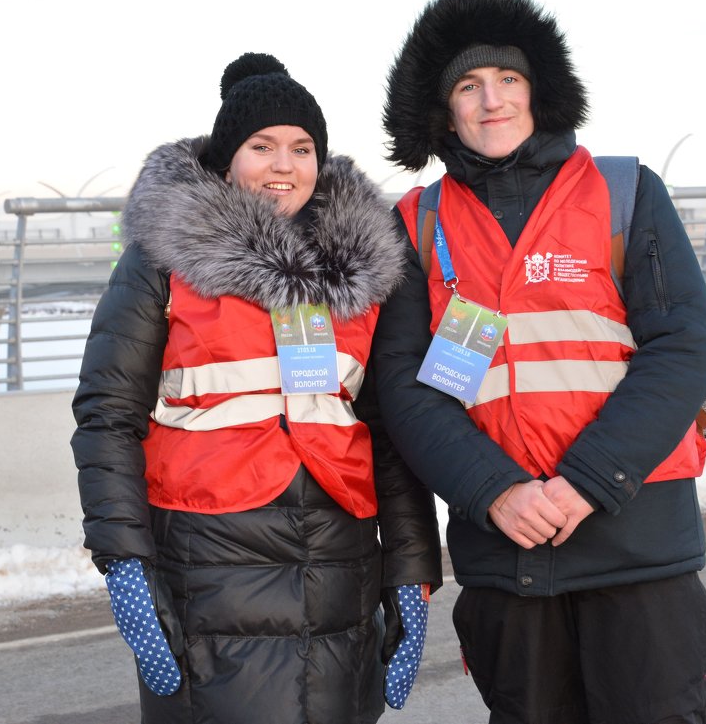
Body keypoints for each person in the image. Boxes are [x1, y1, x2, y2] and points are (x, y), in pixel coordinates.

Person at [371, 0, 706, 724]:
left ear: (539, 91)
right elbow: (404, 387)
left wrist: (586, 481)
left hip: (635, 542)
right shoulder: (414, 222)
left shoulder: (624, 191)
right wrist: (495, 489)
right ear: (444, 108)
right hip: (506, 552)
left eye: (507, 80)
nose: (490, 100)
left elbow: (682, 347)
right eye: (468, 85)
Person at [71, 52, 442, 724]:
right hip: (209, 558)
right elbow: (107, 414)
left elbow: (389, 428)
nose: (283, 165)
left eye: (302, 148)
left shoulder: (367, 272)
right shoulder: (162, 260)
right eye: (261, 145)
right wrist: (123, 559)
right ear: (226, 158)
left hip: (341, 556)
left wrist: (412, 570)